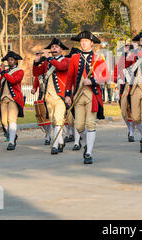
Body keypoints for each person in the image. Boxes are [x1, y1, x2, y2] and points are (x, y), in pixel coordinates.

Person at [65, 31, 110, 164]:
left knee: (90, 124)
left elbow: (106, 76)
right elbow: (70, 78)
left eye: (85, 41)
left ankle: (89, 152)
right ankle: (86, 143)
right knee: (78, 126)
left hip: (92, 95)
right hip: (78, 95)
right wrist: (67, 94)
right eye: (81, 41)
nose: (83, 43)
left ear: (91, 43)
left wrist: (93, 81)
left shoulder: (98, 58)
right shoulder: (74, 58)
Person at [33, 38, 70, 155]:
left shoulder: (66, 60)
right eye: (52, 47)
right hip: (48, 95)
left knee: (58, 118)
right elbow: (36, 73)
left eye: (56, 47)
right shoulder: (47, 62)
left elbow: (61, 67)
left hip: (60, 96)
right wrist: (36, 61)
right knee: (53, 120)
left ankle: (54, 145)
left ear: (61, 49)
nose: (53, 48)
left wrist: (49, 58)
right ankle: (60, 141)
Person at [0, 51, 25, 151]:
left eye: (11, 60)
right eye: (8, 60)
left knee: (11, 119)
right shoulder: (5, 72)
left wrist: (4, 73)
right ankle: (13, 135)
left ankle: (11, 141)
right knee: (4, 121)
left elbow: (13, 81)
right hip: (3, 98)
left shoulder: (19, 71)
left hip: (13, 98)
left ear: (15, 61)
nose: (9, 61)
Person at [113, 43, 136, 142]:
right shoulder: (121, 61)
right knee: (124, 111)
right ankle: (130, 129)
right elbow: (115, 75)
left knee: (133, 111)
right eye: (125, 49)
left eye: (128, 49)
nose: (126, 50)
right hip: (124, 86)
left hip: (135, 87)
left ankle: (133, 132)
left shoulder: (136, 59)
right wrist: (117, 79)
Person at [64, 47, 81, 146]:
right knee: (69, 119)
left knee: (77, 119)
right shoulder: (69, 64)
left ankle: (76, 141)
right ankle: (71, 134)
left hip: (79, 94)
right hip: (69, 94)